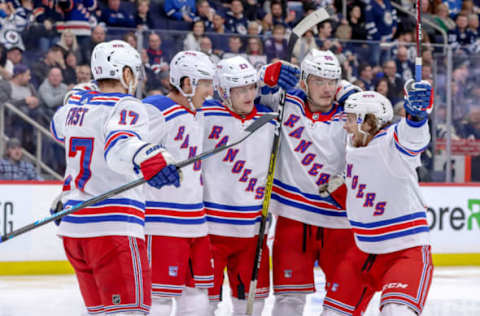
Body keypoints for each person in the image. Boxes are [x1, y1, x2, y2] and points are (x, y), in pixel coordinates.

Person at [49, 40, 181, 316]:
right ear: (125, 74)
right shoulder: (126, 105)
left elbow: (57, 127)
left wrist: (76, 95)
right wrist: (150, 156)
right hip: (113, 228)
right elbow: (119, 146)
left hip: (75, 231)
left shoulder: (76, 106)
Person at [257, 49, 364, 315]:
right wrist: (267, 74)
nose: (327, 89)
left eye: (332, 81)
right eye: (319, 81)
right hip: (294, 218)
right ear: (304, 81)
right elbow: (244, 93)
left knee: (342, 305)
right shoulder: (286, 100)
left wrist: (355, 96)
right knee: (288, 301)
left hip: (339, 221)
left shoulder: (351, 113)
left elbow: (378, 134)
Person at [321, 82, 434, 316]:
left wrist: (416, 116)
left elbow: (412, 137)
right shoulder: (354, 144)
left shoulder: (391, 143)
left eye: (351, 119)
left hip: (404, 250)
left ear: (368, 121)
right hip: (362, 251)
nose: (346, 125)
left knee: (396, 312)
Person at [202, 56, 298, 316]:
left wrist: (267, 81)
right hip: (209, 230)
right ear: (223, 91)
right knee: (201, 305)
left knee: (251, 307)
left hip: (252, 233)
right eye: (239, 89)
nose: (248, 94)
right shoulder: (205, 116)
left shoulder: (270, 120)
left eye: (251, 87)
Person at [141, 50, 215, 316]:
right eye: (205, 83)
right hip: (163, 220)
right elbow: (124, 150)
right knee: (159, 297)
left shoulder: (199, 111)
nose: (210, 90)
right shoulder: (155, 110)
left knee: (197, 295)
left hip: (196, 219)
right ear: (186, 83)